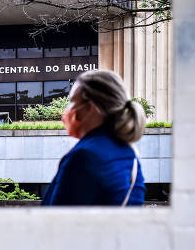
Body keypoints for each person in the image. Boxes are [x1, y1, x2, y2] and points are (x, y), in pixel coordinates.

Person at [41, 70, 146, 206]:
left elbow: (55, 221)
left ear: (90, 108)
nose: (67, 110)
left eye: (72, 101)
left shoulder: (84, 157)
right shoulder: (129, 154)